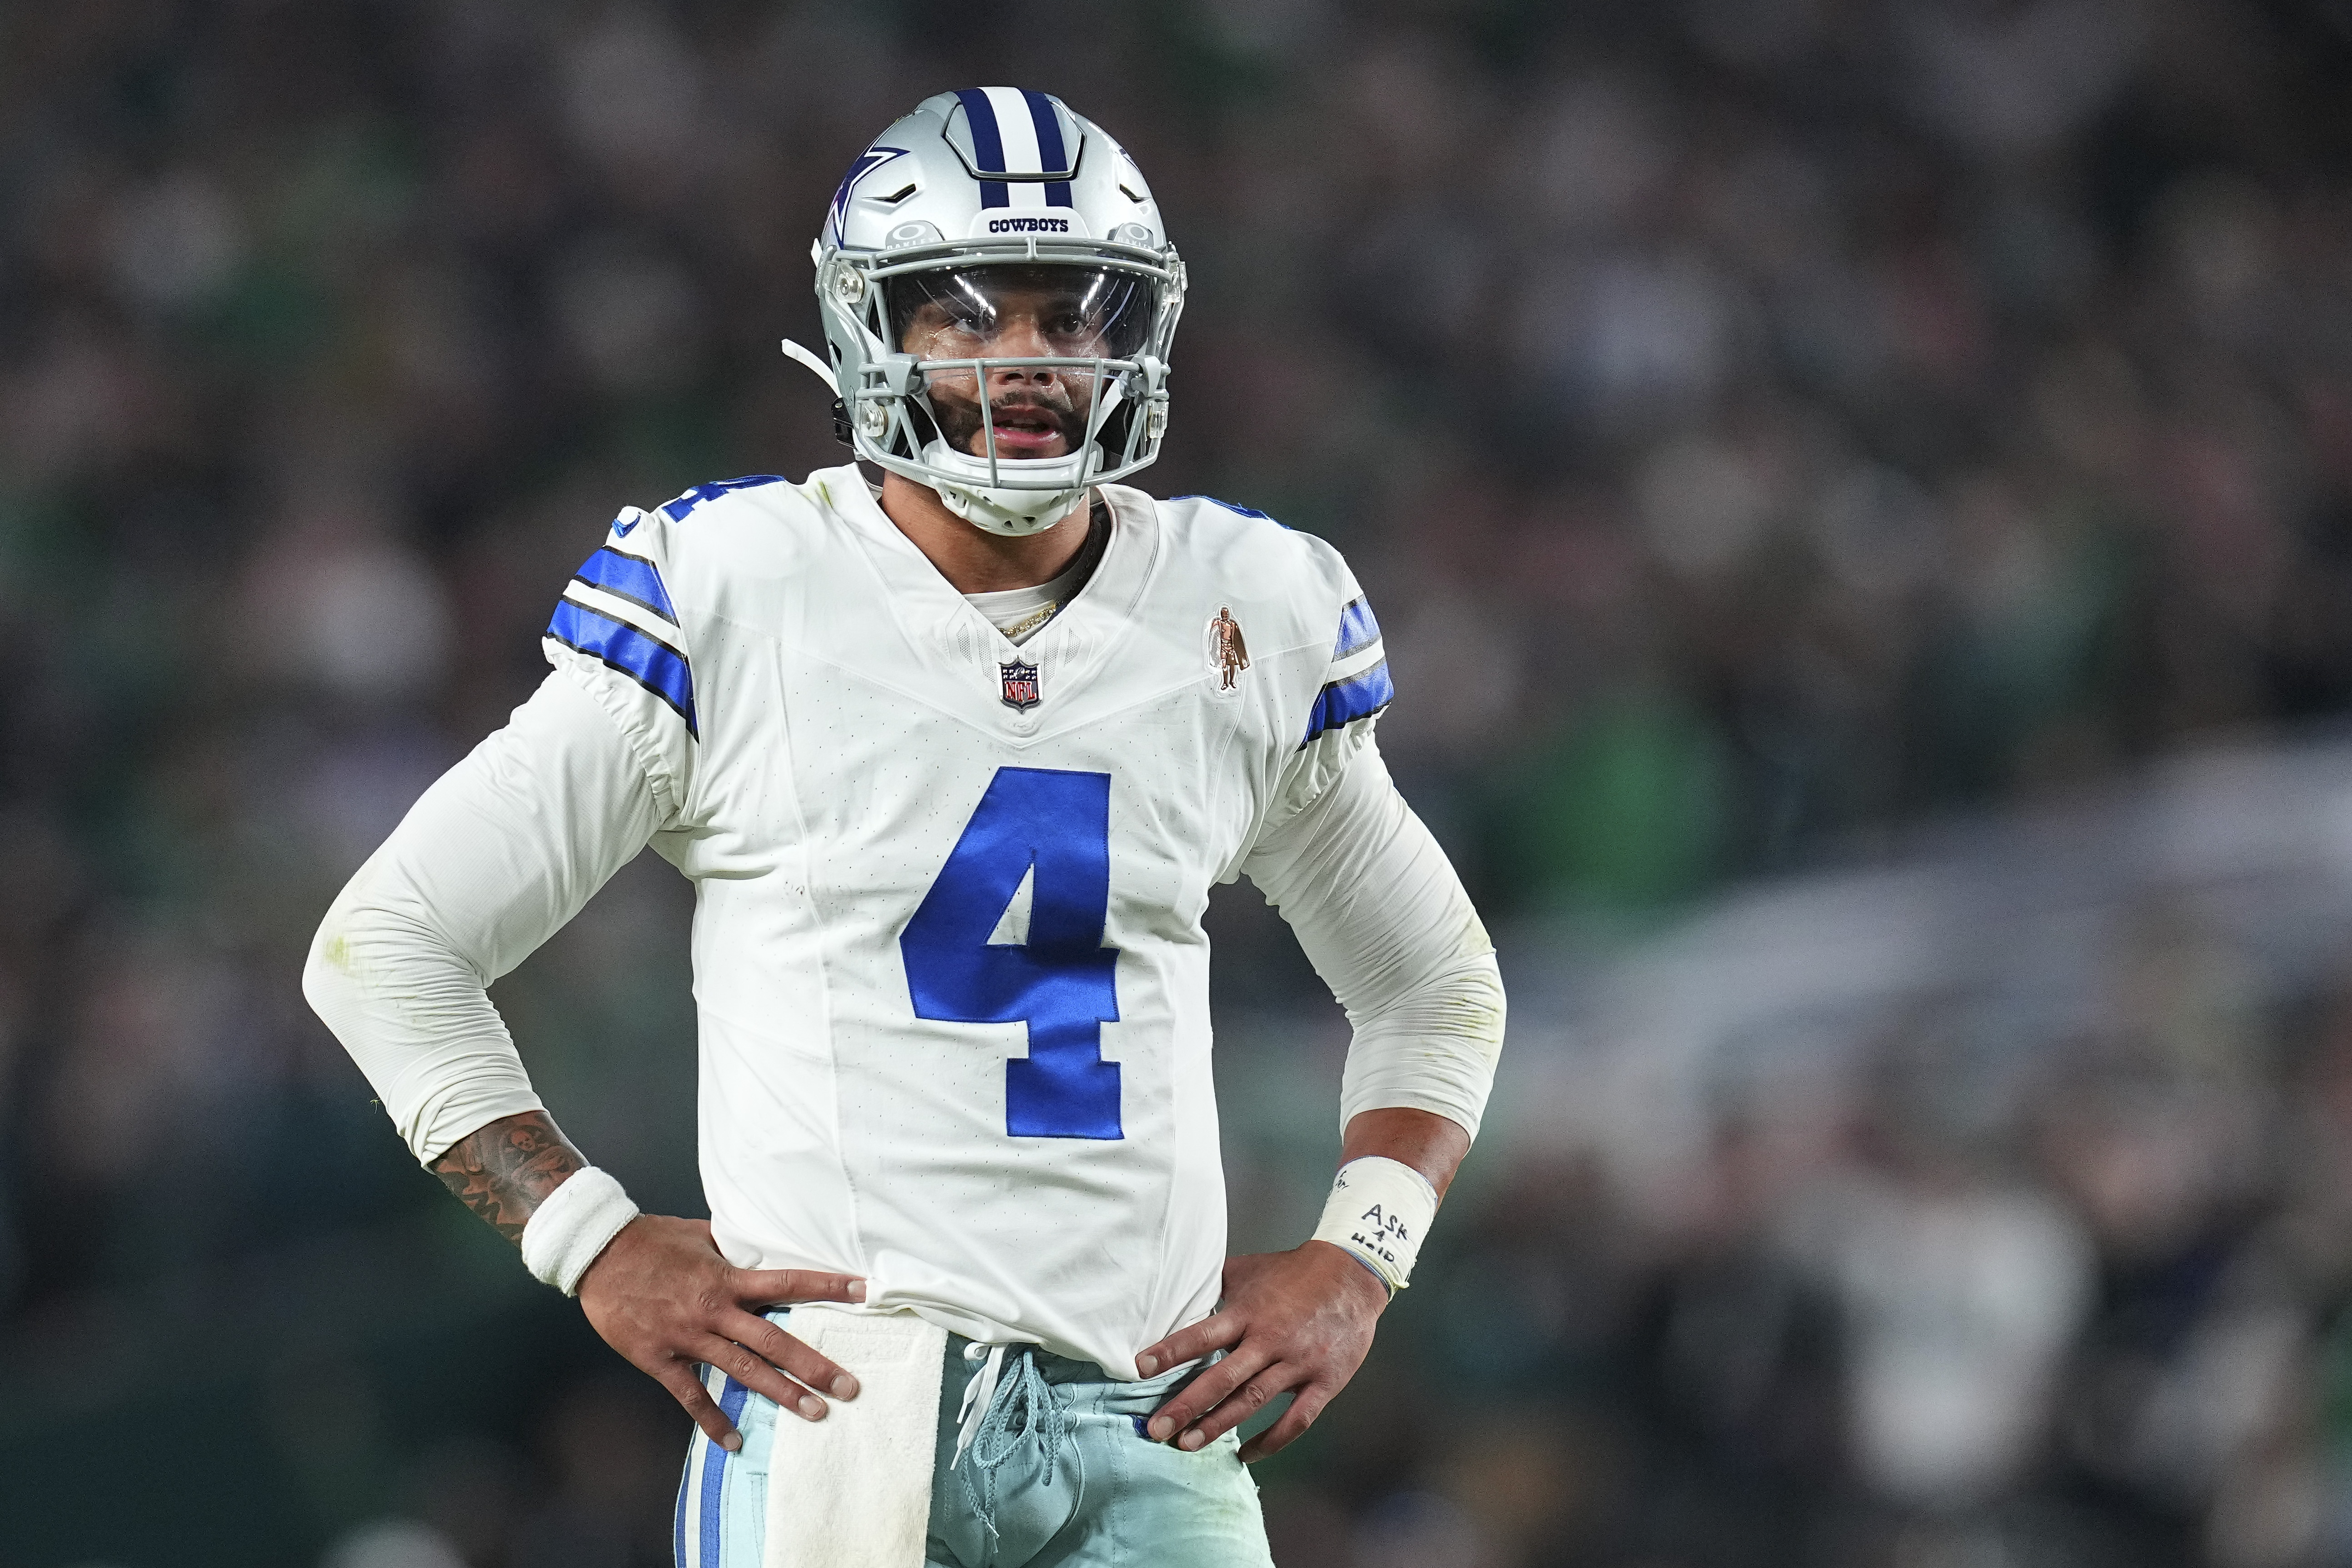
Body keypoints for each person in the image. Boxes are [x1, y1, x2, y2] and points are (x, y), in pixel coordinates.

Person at [305, 86, 1504, 1568]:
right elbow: (387, 944)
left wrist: (1360, 1258)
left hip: (1156, 1416)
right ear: (867, 327)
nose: (1028, 357)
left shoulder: (1247, 605)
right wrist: (590, 1238)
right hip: (843, 1407)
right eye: (964, 313)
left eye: (1071, 314)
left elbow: (1434, 985)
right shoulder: (735, 582)